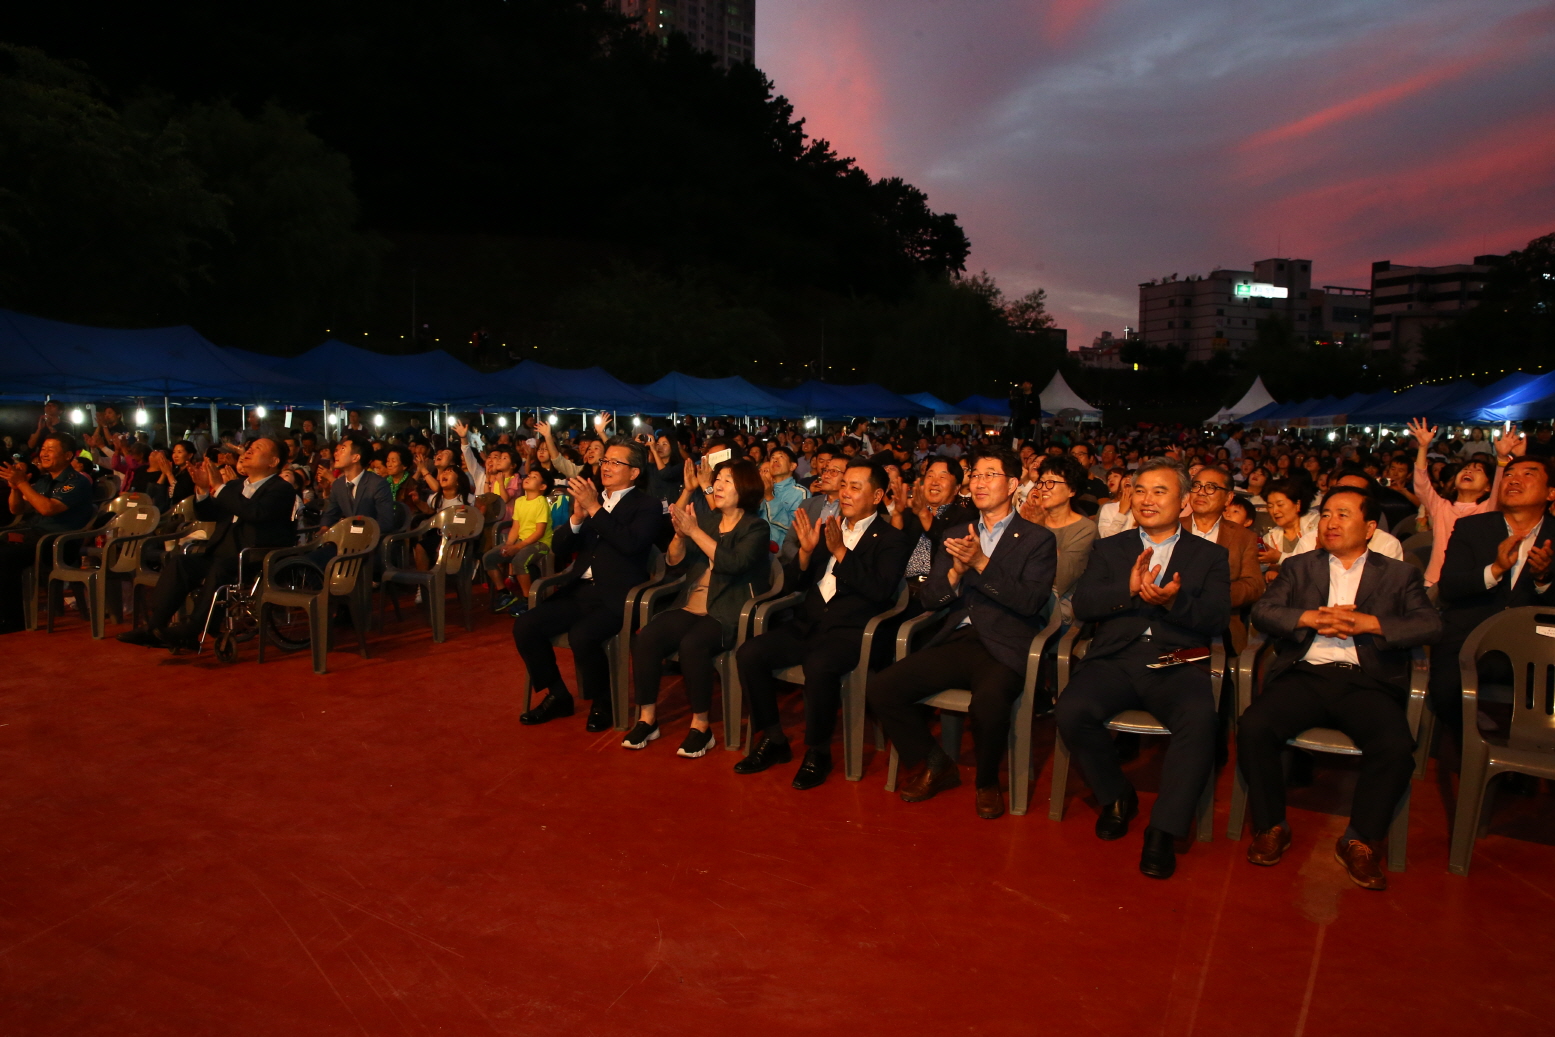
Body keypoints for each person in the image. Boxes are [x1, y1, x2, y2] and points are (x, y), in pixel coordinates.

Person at [1240, 487, 1441, 890]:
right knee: (1253, 727)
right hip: (1306, 674)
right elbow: (1263, 611)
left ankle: (1359, 839)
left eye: (1343, 515)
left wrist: (1371, 624)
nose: (1331, 523)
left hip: (1367, 682)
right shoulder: (1299, 567)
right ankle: (1271, 825)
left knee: (1395, 748)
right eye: (1327, 514)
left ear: (1369, 528)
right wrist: (1310, 618)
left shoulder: (1398, 573)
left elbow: (1430, 625)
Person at [1054, 460, 1231, 879]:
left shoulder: (1209, 555)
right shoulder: (1110, 548)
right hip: (1116, 658)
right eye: (1140, 490)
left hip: (1176, 661)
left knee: (1199, 720)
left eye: (1159, 491)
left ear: (1184, 502)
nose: (1146, 500)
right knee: (1072, 710)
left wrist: (1173, 602)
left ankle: (1164, 829)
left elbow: (1216, 618)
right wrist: (1129, 588)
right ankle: (1117, 796)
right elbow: (1085, 605)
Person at [867, 448, 1058, 819]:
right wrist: (955, 572)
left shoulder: (1037, 539)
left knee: (988, 705)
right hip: (957, 639)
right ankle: (935, 762)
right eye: (976, 475)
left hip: (1005, 644)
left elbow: (1030, 602)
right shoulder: (957, 533)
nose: (980, 483)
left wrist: (981, 563)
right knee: (882, 688)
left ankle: (986, 781)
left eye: (990, 475)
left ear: (1013, 484)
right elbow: (931, 598)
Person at [733, 461, 911, 789]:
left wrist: (841, 551)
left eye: (855, 487)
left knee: (819, 664)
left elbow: (880, 590)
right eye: (844, 485)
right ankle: (773, 737)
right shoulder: (829, 526)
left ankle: (818, 751)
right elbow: (795, 585)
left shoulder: (892, 539)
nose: (845, 493)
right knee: (749, 653)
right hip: (809, 623)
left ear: (877, 496)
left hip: (853, 631)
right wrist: (805, 553)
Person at [514, 438, 664, 731]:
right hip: (579, 590)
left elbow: (630, 544)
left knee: (582, 636)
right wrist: (576, 518)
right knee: (526, 625)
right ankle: (557, 694)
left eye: (615, 462)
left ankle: (603, 702)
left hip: (618, 596)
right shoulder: (592, 499)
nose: (606, 467)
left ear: (634, 472)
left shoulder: (646, 505)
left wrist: (594, 508)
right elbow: (559, 547)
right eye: (605, 460)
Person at [625, 459, 771, 757]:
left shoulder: (755, 527)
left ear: (744, 488)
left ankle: (701, 727)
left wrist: (694, 531)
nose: (718, 485)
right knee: (647, 636)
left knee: (693, 644)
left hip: (727, 611)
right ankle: (647, 719)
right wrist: (680, 535)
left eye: (727, 480)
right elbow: (674, 561)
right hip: (691, 605)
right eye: (717, 479)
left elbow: (733, 564)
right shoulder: (707, 522)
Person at [122, 438, 298, 650]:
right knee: (180, 563)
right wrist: (203, 490)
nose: (249, 451)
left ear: (273, 462)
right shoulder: (235, 486)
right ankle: (154, 627)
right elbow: (209, 514)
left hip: (254, 556)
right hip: (222, 551)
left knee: (219, 568)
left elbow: (254, 513)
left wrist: (219, 487)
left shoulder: (281, 489)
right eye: (249, 448)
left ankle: (192, 629)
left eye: (257, 449)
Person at [1430, 455, 1555, 741]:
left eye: (1528, 474)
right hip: (1471, 637)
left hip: (1537, 643)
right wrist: (1495, 570)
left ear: (1551, 493)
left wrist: (1543, 579)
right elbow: (1449, 587)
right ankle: (1470, 747)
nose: (1514, 479)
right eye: (1509, 474)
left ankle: (1530, 756)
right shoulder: (1471, 527)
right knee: (1446, 690)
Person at [0, 434, 95, 633]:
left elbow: (47, 509)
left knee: (5, 557)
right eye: (43, 449)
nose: (44, 453)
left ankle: (12, 620)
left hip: (59, 544)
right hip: (36, 538)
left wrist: (23, 483)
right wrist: (15, 488)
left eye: (50, 449)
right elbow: (17, 509)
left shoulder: (77, 482)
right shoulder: (44, 481)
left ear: (68, 455)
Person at [1405, 418, 1507, 586]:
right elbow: (1421, 485)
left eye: (1477, 470)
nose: (1469, 471)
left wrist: (1502, 458)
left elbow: (1500, 488)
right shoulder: (1441, 506)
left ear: (1488, 487)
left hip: (1472, 581)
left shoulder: (1487, 508)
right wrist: (1423, 447)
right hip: (1435, 580)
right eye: (1465, 469)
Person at [1186, 465, 1263, 648]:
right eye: (1196, 485)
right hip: (1170, 617)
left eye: (1211, 487)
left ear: (1228, 498)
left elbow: (1254, 585)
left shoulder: (1243, 537)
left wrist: (1214, 594)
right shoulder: (1171, 528)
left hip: (1220, 623)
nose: (1201, 492)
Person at [894, 455, 976, 591]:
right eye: (930, 476)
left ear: (956, 488)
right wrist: (897, 513)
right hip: (903, 588)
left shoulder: (966, 518)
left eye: (942, 477)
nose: (934, 482)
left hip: (938, 590)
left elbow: (947, 545)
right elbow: (893, 547)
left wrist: (923, 513)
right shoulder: (911, 512)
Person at [485, 467, 554, 613]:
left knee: (519, 561)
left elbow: (539, 532)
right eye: (528, 475)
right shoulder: (520, 501)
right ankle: (504, 593)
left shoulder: (541, 502)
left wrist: (517, 547)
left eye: (534, 477)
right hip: (521, 541)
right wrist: (509, 545)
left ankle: (528, 600)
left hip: (540, 543)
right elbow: (516, 527)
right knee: (489, 558)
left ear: (542, 486)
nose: (528, 478)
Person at [319, 435, 396, 534]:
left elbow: (385, 522)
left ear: (355, 457)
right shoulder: (338, 484)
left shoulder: (377, 484)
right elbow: (330, 514)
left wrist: (358, 531)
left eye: (343, 449)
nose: (336, 453)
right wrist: (324, 529)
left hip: (372, 538)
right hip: (348, 538)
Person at [779, 454, 846, 565]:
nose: (826, 476)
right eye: (825, 471)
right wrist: (805, 558)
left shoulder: (851, 509)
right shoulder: (808, 504)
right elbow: (788, 542)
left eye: (834, 471)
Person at [1257, 480, 1316, 582]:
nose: (1275, 511)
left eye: (1280, 505)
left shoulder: (1314, 526)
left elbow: (1311, 563)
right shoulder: (1270, 537)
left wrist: (1279, 558)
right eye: (1270, 506)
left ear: (1297, 504)